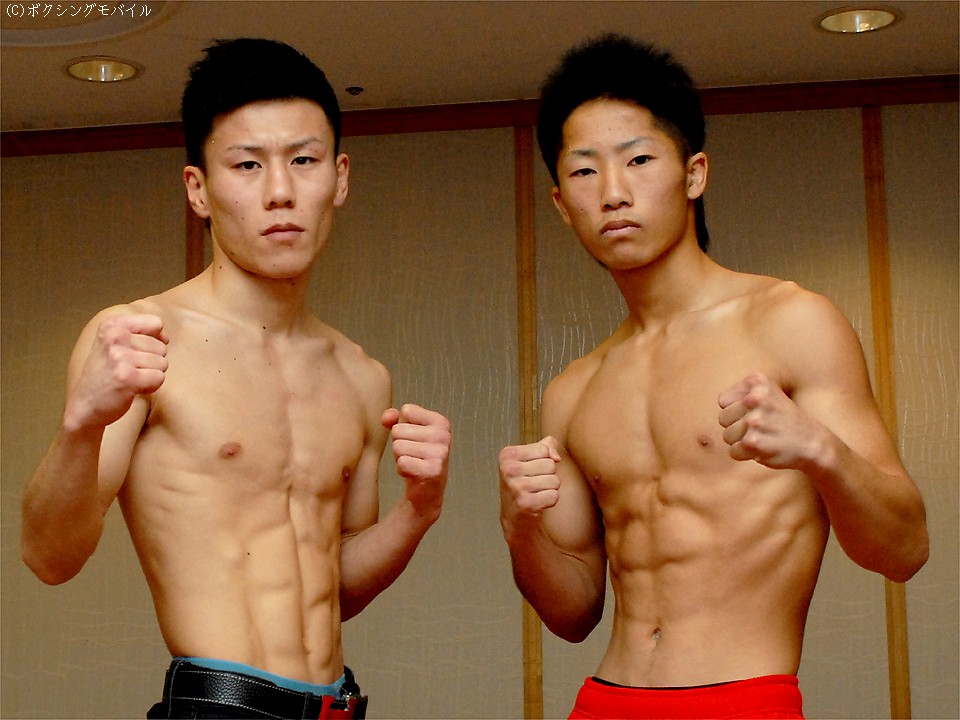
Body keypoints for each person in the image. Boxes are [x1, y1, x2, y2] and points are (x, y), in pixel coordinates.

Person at [498, 34, 928, 719]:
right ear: (559, 202)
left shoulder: (790, 323)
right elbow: (573, 613)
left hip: (743, 698)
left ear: (694, 174)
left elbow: (904, 550)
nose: (613, 193)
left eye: (639, 160)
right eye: (584, 172)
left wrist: (820, 450)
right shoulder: (574, 389)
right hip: (604, 701)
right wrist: (520, 527)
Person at [21, 38, 451, 720]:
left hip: (340, 704)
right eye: (248, 164)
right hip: (218, 707)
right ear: (199, 189)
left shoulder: (361, 375)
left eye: (303, 160)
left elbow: (335, 589)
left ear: (339, 177)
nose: (280, 192)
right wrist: (82, 424)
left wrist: (418, 511)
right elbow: (49, 557)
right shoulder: (142, 339)